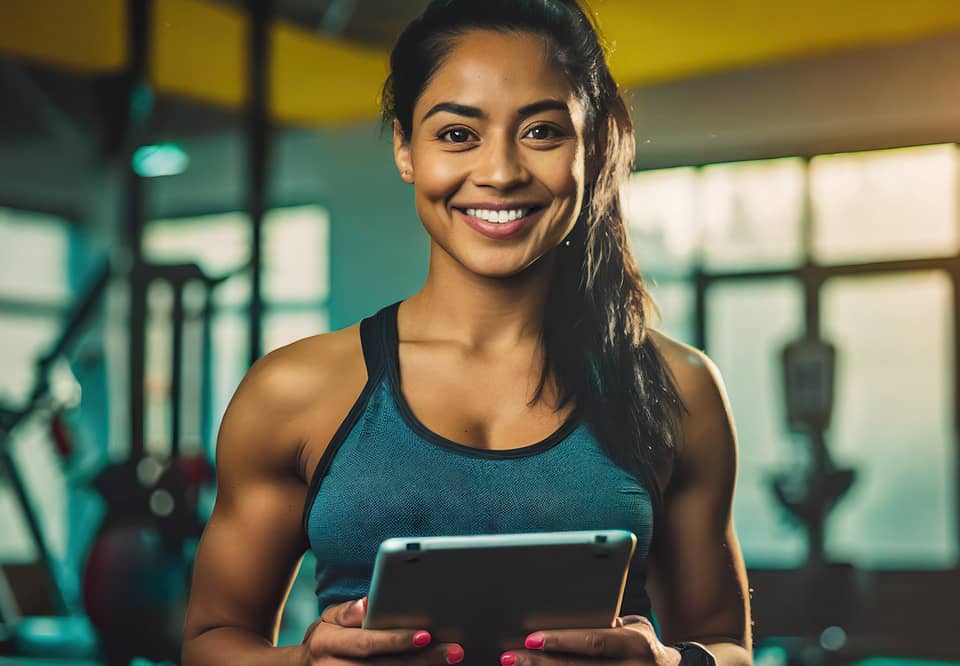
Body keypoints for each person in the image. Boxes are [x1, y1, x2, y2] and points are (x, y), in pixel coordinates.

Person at [181, 1, 752, 664]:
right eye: (458, 135)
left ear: (590, 149)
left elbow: (729, 649)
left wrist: (668, 663)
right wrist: (304, 663)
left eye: (542, 131)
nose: (502, 171)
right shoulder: (294, 391)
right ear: (406, 148)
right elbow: (207, 644)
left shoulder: (677, 387)